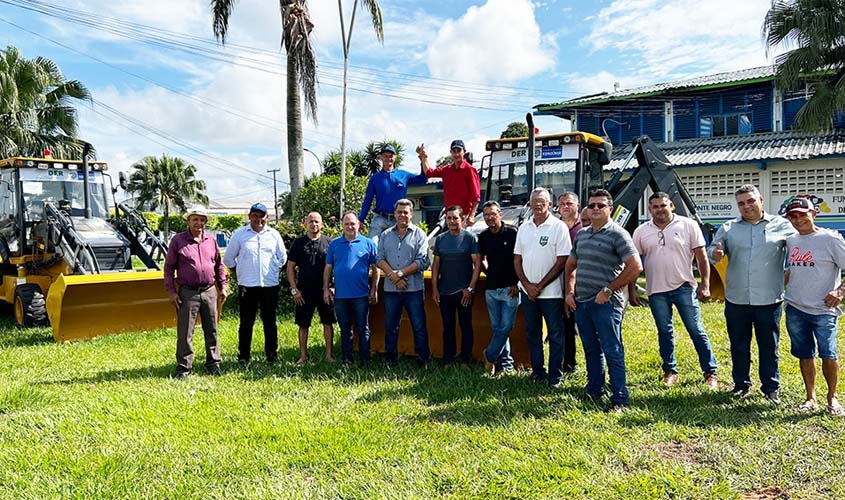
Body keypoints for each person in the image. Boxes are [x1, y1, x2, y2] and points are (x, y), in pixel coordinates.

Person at [709, 184, 796, 404]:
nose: (746, 206)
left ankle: (770, 387)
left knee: (769, 345)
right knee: (739, 344)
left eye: (750, 201)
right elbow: (712, 252)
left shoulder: (782, 226)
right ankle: (741, 384)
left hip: (769, 299)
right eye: (741, 203)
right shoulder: (729, 228)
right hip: (737, 299)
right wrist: (716, 254)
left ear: (761, 200)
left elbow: (801, 249)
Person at [564, 189, 642, 412]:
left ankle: (620, 398)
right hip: (582, 302)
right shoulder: (582, 235)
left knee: (612, 349)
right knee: (590, 348)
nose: (595, 209)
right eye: (592, 205)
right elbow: (570, 265)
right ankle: (595, 390)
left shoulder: (618, 234)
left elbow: (636, 266)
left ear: (610, 209)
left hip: (606, 303)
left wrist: (609, 290)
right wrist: (570, 293)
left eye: (601, 205)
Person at [632, 192, 718, 389]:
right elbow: (634, 262)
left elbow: (701, 257)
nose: (659, 210)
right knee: (664, 331)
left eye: (663, 205)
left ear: (672, 205)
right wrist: (633, 289)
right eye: (655, 207)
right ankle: (670, 371)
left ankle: (710, 372)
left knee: (696, 330)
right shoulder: (641, 231)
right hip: (656, 291)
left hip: (684, 287)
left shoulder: (688, 225)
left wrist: (705, 284)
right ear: (649, 209)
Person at [782, 197, 845, 417]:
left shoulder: (830, 239)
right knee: (804, 354)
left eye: (802, 214)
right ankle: (810, 398)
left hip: (823, 310)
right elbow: (791, 270)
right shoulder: (791, 241)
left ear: (814, 213)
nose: (798, 219)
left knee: (828, 353)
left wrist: (839, 292)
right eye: (793, 216)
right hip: (795, 307)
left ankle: (832, 398)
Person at [514, 187, 571, 388]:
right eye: (534, 201)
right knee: (533, 333)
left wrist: (539, 285)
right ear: (529, 204)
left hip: (551, 293)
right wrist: (528, 286)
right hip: (528, 293)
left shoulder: (559, 227)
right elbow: (517, 259)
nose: (538, 205)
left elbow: (562, 260)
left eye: (542, 201)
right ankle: (538, 372)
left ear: (550, 204)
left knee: (556, 334)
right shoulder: (524, 227)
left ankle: (555, 376)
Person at [164, 205, 227, 378]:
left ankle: (213, 363)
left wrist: (222, 287)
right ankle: (184, 367)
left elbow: (219, 265)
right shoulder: (178, 240)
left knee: (212, 329)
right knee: (185, 332)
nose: (198, 222)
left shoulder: (211, 240)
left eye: (201, 219)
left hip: (209, 291)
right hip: (187, 292)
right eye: (195, 219)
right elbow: (169, 268)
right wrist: (171, 292)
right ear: (188, 221)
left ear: (205, 222)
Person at [223, 202, 287, 367]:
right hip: (247, 286)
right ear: (250, 217)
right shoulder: (239, 235)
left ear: (267, 218)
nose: (259, 219)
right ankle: (244, 356)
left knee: (270, 321)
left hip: (269, 285)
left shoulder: (274, 235)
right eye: (255, 216)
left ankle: (272, 355)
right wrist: (241, 271)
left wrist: (271, 269)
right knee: (246, 322)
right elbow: (228, 258)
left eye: (262, 216)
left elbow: (282, 258)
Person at [376, 199, 432, 366]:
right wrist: (392, 276)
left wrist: (399, 274)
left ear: (411, 214)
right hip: (391, 290)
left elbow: (423, 261)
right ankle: (390, 360)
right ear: (394, 214)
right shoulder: (385, 235)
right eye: (399, 212)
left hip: (413, 289)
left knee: (419, 326)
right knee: (391, 326)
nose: (402, 215)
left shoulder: (419, 235)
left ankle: (423, 360)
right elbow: (380, 258)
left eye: (406, 212)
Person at [323, 212, 379, 366]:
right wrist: (326, 289)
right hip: (341, 296)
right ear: (342, 225)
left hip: (361, 295)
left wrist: (374, 289)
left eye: (352, 223)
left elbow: (376, 269)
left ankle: (365, 360)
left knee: (363, 329)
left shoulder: (368, 244)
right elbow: (328, 268)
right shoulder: (334, 244)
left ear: (359, 225)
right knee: (345, 330)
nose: (349, 226)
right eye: (346, 224)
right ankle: (347, 360)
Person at [431, 205, 481, 365]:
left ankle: (465, 358)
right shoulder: (440, 239)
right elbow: (436, 266)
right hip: (444, 292)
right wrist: (434, 289)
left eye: (455, 218)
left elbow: (477, 264)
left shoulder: (470, 238)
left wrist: (470, 289)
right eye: (449, 218)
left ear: (462, 218)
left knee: (465, 326)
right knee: (448, 328)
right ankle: (448, 359)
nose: (452, 221)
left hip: (464, 292)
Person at [287, 211, 336, 366]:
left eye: (317, 221)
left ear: (322, 224)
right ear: (305, 224)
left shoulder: (330, 243)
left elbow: (337, 266)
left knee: (327, 323)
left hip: (324, 291)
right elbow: (290, 267)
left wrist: (332, 287)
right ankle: (303, 356)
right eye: (311, 221)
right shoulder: (298, 243)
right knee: (303, 324)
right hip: (304, 292)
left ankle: (329, 355)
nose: (314, 224)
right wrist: (294, 289)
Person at [478, 200, 520, 376]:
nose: (489, 218)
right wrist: (489, 273)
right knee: (497, 329)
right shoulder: (483, 236)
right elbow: (480, 260)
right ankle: (506, 365)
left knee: (506, 327)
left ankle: (489, 354)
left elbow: (520, 259)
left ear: (500, 214)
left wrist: (517, 282)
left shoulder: (512, 233)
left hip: (510, 288)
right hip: (491, 289)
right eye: (486, 215)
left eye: (492, 214)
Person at [359, 144, 428, 241]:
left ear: (395, 158)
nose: (388, 158)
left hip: (397, 219)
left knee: (397, 249)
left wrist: (422, 159)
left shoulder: (403, 175)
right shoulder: (375, 178)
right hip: (380, 218)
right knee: (373, 246)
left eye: (391, 156)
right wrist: (361, 219)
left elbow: (423, 179)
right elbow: (367, 200)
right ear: (381, 157)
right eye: (385, 156)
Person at [416, 139, 481, 225]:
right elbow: (429, 173)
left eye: (459, 151)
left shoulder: (469, 170)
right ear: (451, 152)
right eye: (454, 151)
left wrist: (472, 216)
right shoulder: (447, 169)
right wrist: (423, 158)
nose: (456, 154)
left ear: (464, 152)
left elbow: (476, 197)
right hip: (450, 216)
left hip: (464, 217)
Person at [557, 191, 582, 374]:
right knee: (565, 324)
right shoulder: (554, 227)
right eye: (563, 203)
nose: (566, 206)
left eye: (570, 203)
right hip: (558, 281)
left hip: (583, 283)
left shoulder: (585, 227)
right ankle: (567, 363)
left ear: (577, 206)